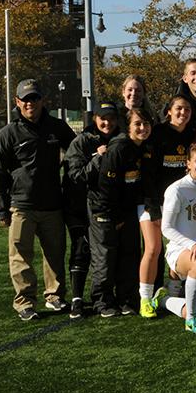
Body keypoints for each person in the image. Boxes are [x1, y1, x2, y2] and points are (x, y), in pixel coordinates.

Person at [0, 79, 75, 320]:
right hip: (21, 206)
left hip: (52, 204)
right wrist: (1, 209)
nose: (31, 103)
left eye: (34, 98)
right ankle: (25, 302)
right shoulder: (7, 133)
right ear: (17, 102)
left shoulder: (56, 127)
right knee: (20, 257)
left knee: (55, 253)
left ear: (42, 100)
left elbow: (75, 149)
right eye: (25, 99)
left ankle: (55, 296)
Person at [88, 107, 152, 317]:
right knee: (106, 257)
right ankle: (102, 302)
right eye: (137, 124)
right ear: (128, 127)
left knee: (130, 255)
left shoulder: (142, 147)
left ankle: (126, 299)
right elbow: (106, 185)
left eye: (145, 124)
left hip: (127, 210)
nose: (142, 128)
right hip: (105, 210)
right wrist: (114, 216)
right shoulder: (119, 147)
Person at [62, 102, 120, 318]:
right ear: (95, 119)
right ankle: (78, 299)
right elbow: (75, 176)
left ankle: (107, 297)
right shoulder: (82, 142)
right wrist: (98, 158)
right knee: (81, 249)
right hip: (78, 205)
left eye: (112, 118)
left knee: (105, 253)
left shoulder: (120, 140)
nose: (107, 122)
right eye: (103, 118)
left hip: (106, 206)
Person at [141, 95, 195, 305]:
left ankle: (172, 291)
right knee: (154, 248)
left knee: (180, 246)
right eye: (179, 109)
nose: (183, 113)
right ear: (169, 111)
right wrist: (153, 203)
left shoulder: (192, 134)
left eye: (187, 109)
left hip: (183, 202)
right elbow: (147, 173)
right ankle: (145, 298)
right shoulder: (158, 134)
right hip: (155, 201)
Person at [158, 143, 196, 334]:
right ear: (188, 163)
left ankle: (163, 300)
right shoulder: (176, 190)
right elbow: (166, 227)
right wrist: (192, 244)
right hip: (182, 250)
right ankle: (191, 322)